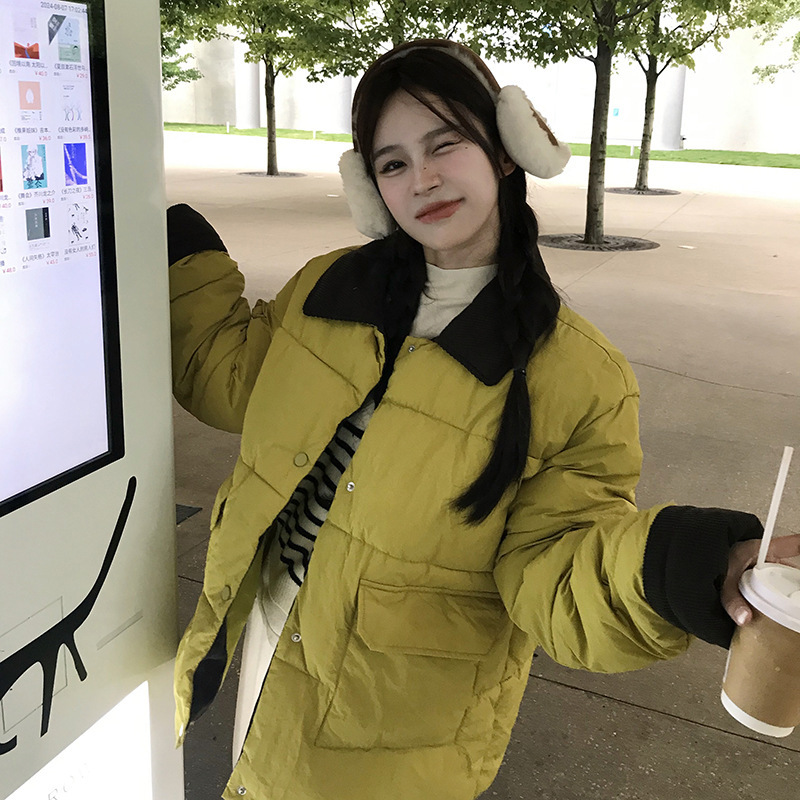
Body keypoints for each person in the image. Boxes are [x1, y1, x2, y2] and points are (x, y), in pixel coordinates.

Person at [166, 39, 800, 800]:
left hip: (393, 709)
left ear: (505, 150)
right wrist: (168, 246)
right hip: (271, 626)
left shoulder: (577, 376)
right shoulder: (327, 289)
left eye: (445, 144)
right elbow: (233, 378)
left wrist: (681, 567)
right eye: (392, 162)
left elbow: (554, 568)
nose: (423, 178)